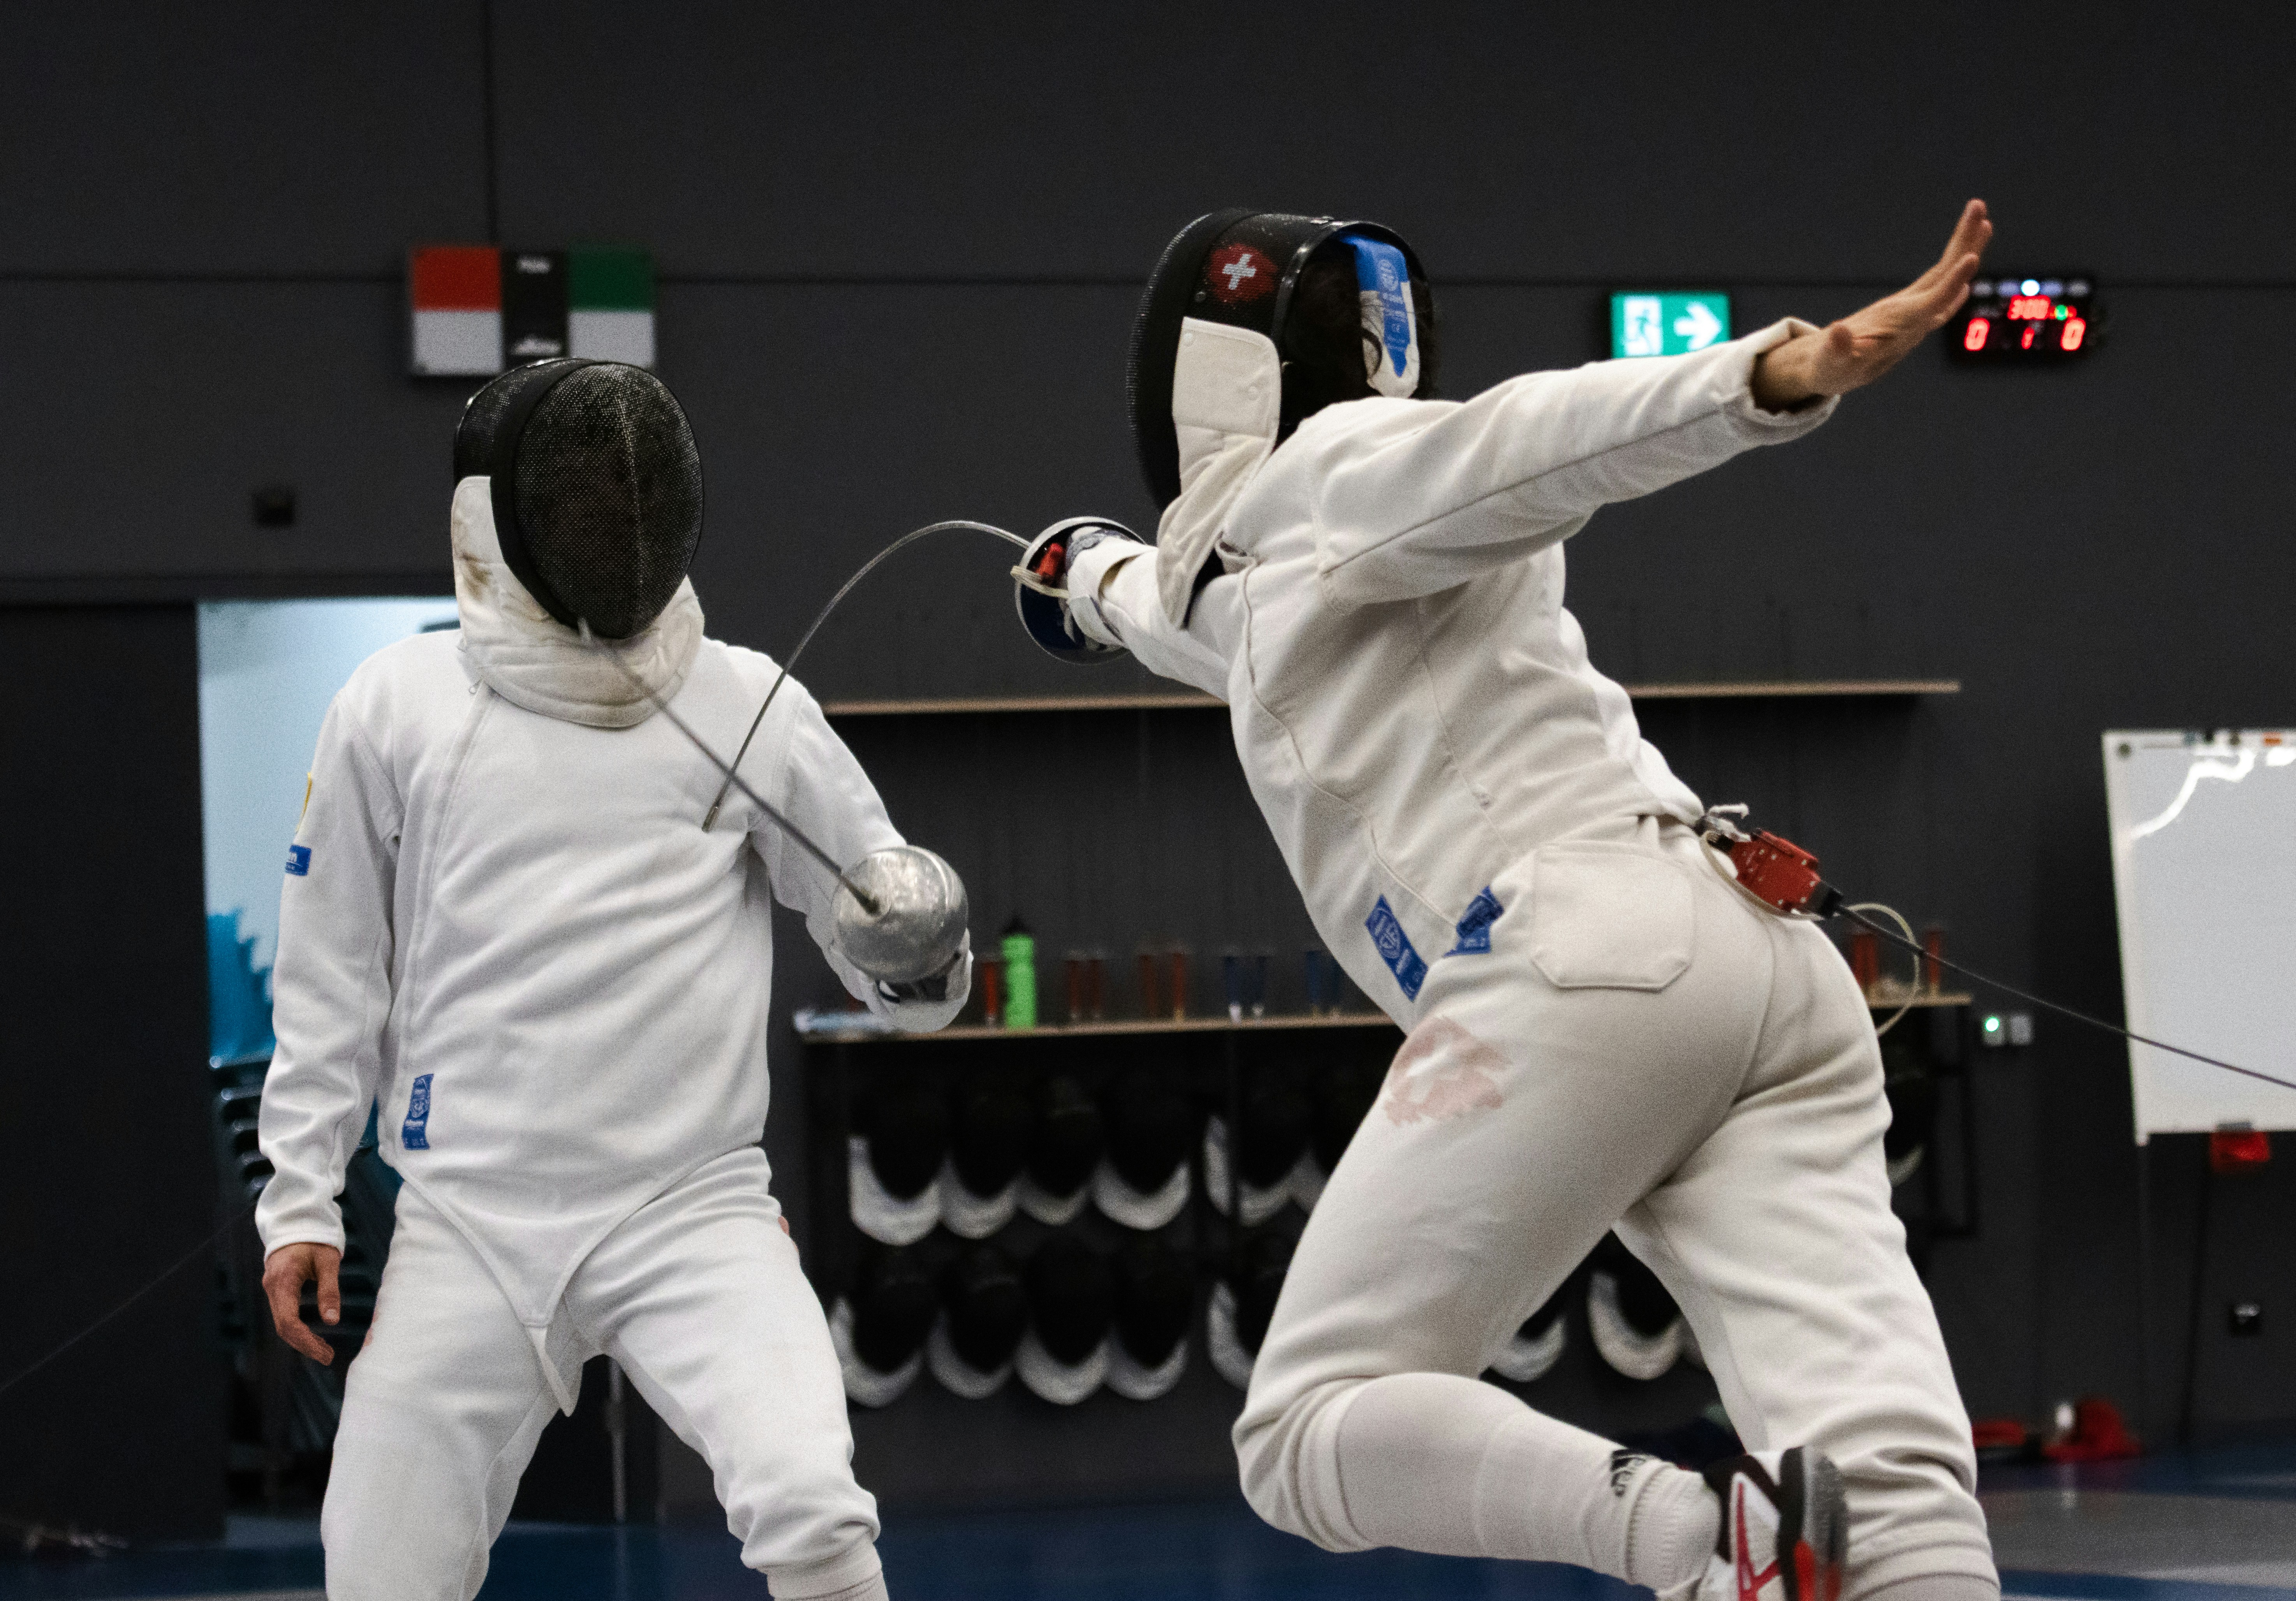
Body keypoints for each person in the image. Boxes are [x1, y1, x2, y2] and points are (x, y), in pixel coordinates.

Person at [1023, 203, 1998, 1601]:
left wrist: (1768, 376)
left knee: (1306, 1427)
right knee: (1882, 1474)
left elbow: (1527, 441)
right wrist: (1078, 576)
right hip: (1761, 968)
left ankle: (1703, 1549)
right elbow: (1183, 607)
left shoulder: (1338, 470)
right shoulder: (1286, 562)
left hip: (1588, 961)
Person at [257, 359, 969, 1601]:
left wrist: (920, 958)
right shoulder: (397, 704)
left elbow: (884, 937)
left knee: (811, 1505)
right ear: (500, 518)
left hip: (691, 1206)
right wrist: (301, 1197)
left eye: (628, 494)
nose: (613, 520)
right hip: (471, 1217)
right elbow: (333, 967)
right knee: (378, 1573)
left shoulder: (747, 703)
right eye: (581, 497)